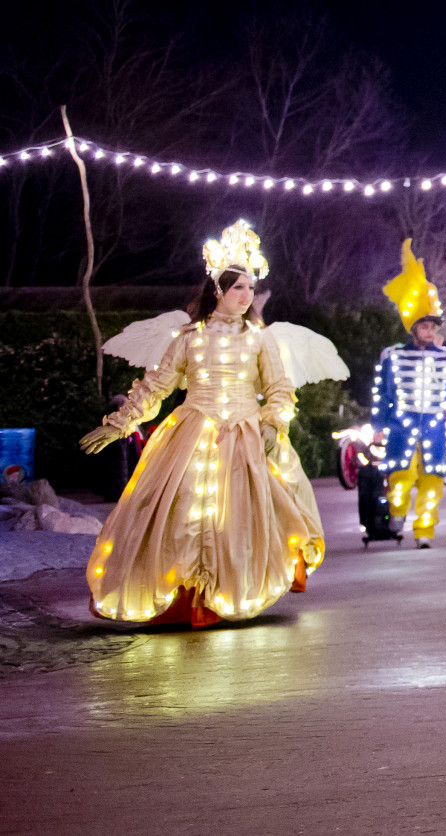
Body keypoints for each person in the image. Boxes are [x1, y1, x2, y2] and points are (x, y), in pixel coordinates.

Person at [79, 221, 325, 627]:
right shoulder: (189, 337)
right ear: (218, 291)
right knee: (178, 513)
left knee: (240, 517)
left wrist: (271, 423)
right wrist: (120, 424)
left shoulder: (260, 340)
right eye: (238, 288)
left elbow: (280, 389)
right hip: (192, 431)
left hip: (245, 434)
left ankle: (226, 592)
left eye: (250, 288)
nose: (246, 297)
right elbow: (155, 387)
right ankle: (182, 593)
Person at [370, 239, 446, 548]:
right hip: (401, 425)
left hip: (436, 427)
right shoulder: (394, 356)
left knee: (433, 482)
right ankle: (397, 515)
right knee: (400, 477)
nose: (429, 330)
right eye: (424, 326)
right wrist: (377, 427)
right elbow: (383, 394)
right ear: (413, 328)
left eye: (432, 326)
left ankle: (424, 531)